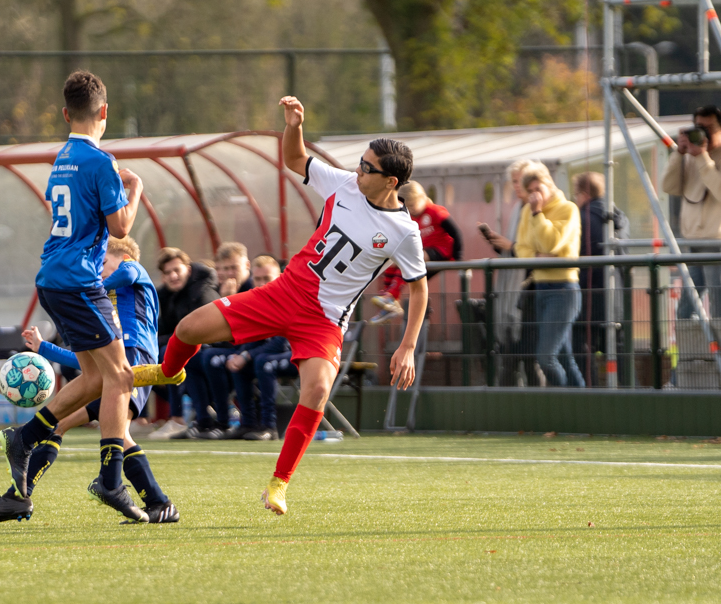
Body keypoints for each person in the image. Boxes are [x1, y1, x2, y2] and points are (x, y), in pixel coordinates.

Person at [132, 96, 429, 515]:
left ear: (391, 182)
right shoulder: (344, 184)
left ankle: (278, 484)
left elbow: (419, 288)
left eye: (367, 167)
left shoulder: (404, 231)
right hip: (283, 293)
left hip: (324, 321)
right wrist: (294, 124)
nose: (358, 170)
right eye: (360, 162)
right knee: (188, 330)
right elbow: (294, 158)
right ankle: (167, 371)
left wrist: (408, 345)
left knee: (319, 389)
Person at [0, 69, 157, 523]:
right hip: (79, 281)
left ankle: (24, 439)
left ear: (65, 114)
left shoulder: (62, 157)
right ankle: (110, 481)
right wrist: (136, 188)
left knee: (93, 379)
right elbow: (120, 228)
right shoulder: (100, 161)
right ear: (104, 112)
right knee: (121, 377)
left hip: (52, 277)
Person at [0, 237, 179, 524]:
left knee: (87, 428)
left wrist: (88, 290)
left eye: (103, 261)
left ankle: (20, 495)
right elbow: (86, 365)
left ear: (124, 255)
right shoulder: (106, 312)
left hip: (135, 359)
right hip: (119, 366)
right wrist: (45, 349)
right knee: (91, 429)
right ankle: (157, 503)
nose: (98, 269)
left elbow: (128, 272)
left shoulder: (132, 271)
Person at [514, 162, 585, 388]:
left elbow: (552, 243)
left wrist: (537, 214)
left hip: (563, 289)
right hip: (540, 288)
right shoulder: (526, 211)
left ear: (549, 185)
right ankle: (583, 404)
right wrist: (538, 256)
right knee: (565, 357)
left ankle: (563, 402)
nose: (535, 195)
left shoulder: (567, 209)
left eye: (538, 189)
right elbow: (521, 248)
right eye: (530, 191)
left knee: (546, 356)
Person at [206, 254, 285, 440]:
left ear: (279, 278)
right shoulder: (255, 301)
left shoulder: (286, 300)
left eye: (267, 278)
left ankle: (269, 427)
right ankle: (242, 423)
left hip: (292, 355)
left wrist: (247, 355)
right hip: (261, 355)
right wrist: (242, 354)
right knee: (222, 359)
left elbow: (281, 343)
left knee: (262, 362)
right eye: (257, 279)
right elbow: (247, 336)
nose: (261, 283)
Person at [478, 159, 541, 387]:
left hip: (529, 291)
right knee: (512, 356)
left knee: (528, 356)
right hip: (514, 291)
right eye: (514, 181)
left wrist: (510, 246)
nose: (516, 186)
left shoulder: (536, 211)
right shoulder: (518, 209)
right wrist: (499, 243)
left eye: (519, 181)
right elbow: (514, 249)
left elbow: (536, 250)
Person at [148, 247, 220, 440]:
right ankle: (197, 414)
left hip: (216, 348)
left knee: (172, 354)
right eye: (167, 273)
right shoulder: (166, 296)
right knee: (146, 356)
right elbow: (163, 330)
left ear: (188, 269)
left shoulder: (202, 291)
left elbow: (205, 332)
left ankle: (180, 418)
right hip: (196, 351)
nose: (173, 276)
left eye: (176, 270)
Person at [369, 180, 462, 324]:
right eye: (408, 207)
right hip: (424, 253)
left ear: (423, 198)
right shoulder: (410, 217)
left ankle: (392, 295)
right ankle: (389, 298)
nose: (410, 209)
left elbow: (455, 232)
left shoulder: (435, 211)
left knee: (410, 260)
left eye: (412, 205)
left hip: (441, 250)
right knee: (392, 262)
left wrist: (457, 257)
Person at [661, 105, 721, 320]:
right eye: (698, 127)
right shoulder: (690, 156)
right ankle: (690, 353)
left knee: (718, 305)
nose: (703, 133)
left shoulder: (705, 156)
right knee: (687, 308)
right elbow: (669, 187)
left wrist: (704, 157)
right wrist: (679, 153)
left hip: (716, 244)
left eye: (708, 128)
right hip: (692, 242)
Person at [572, 171, 629, 386]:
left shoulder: (582, 218)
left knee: (581, 348)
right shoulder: (619, 216)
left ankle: (590, 395)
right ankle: (626, 393)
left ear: (585, 194)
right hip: (616, 293)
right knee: (617, 348)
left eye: (576, 194)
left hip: (589, 293)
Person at [196, 242, 256, 439]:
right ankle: (203, 420)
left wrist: (228, 302)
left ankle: (225, 422)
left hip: (253, 350)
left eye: (233, 268)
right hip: (231, 349)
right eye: (223, 268)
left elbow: (244, 333)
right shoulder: (219, 288)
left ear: (247, 266)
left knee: (211, 358)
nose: (229, 273)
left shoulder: (254, 289)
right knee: (194, 358)